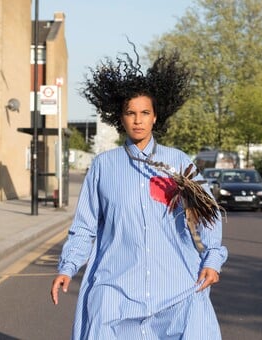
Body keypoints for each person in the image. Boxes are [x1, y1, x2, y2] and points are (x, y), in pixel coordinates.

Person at [50, 47, 228, 339]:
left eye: (145, 113)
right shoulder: (103, 166)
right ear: (120, 117)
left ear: (156, 117)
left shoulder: (179, 162)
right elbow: (85, 225)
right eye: (130, 113)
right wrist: (67, 268)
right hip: (116, 286)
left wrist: (211, 259)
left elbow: (208, 215)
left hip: (176, 286)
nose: (138, 120)